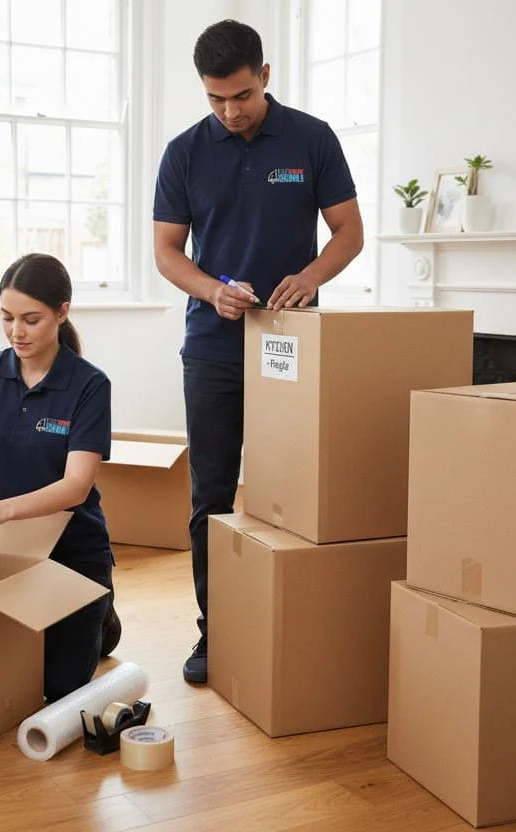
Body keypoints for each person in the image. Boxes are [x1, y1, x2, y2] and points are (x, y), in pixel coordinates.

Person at [152, 19, 365, 684]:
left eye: (240, 96)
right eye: (215, 99)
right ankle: (216, 634)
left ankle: (289, 625)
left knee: (291, 493)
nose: (229, 111)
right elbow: (166, 252)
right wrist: (212, 291)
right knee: (210, 496)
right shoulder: (184, 152)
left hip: (290, 350)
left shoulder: (312, 138)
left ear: (265, 76)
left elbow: (349, 233)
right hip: (212, 349)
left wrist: (311, 277)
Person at [0, 253, 118, 702]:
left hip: (73, 552)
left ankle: (102, 616)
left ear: (62, 311)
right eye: (7, 318)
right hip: (8, 551)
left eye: (31, 319)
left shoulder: (90, 385)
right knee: (1, 673)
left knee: (57, 688)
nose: (17, 332)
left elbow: (76, 486)